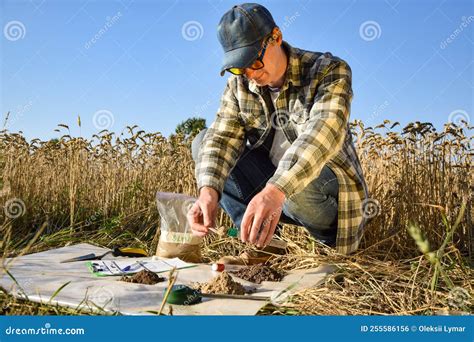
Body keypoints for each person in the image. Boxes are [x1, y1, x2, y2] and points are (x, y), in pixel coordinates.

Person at [188, 3, 369, 264]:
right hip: (274, 191)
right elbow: (221, 139)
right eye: (240, 67)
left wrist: (274, 191)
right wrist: (208, 193)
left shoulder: (329, 70)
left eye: (254, 61)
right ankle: (264, 245)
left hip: (324, 194)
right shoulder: (240, 85)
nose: (250, 74)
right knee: (203, 141)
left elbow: (322, 133)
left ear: (276, 37)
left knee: (299, 181)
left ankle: (327, 250)